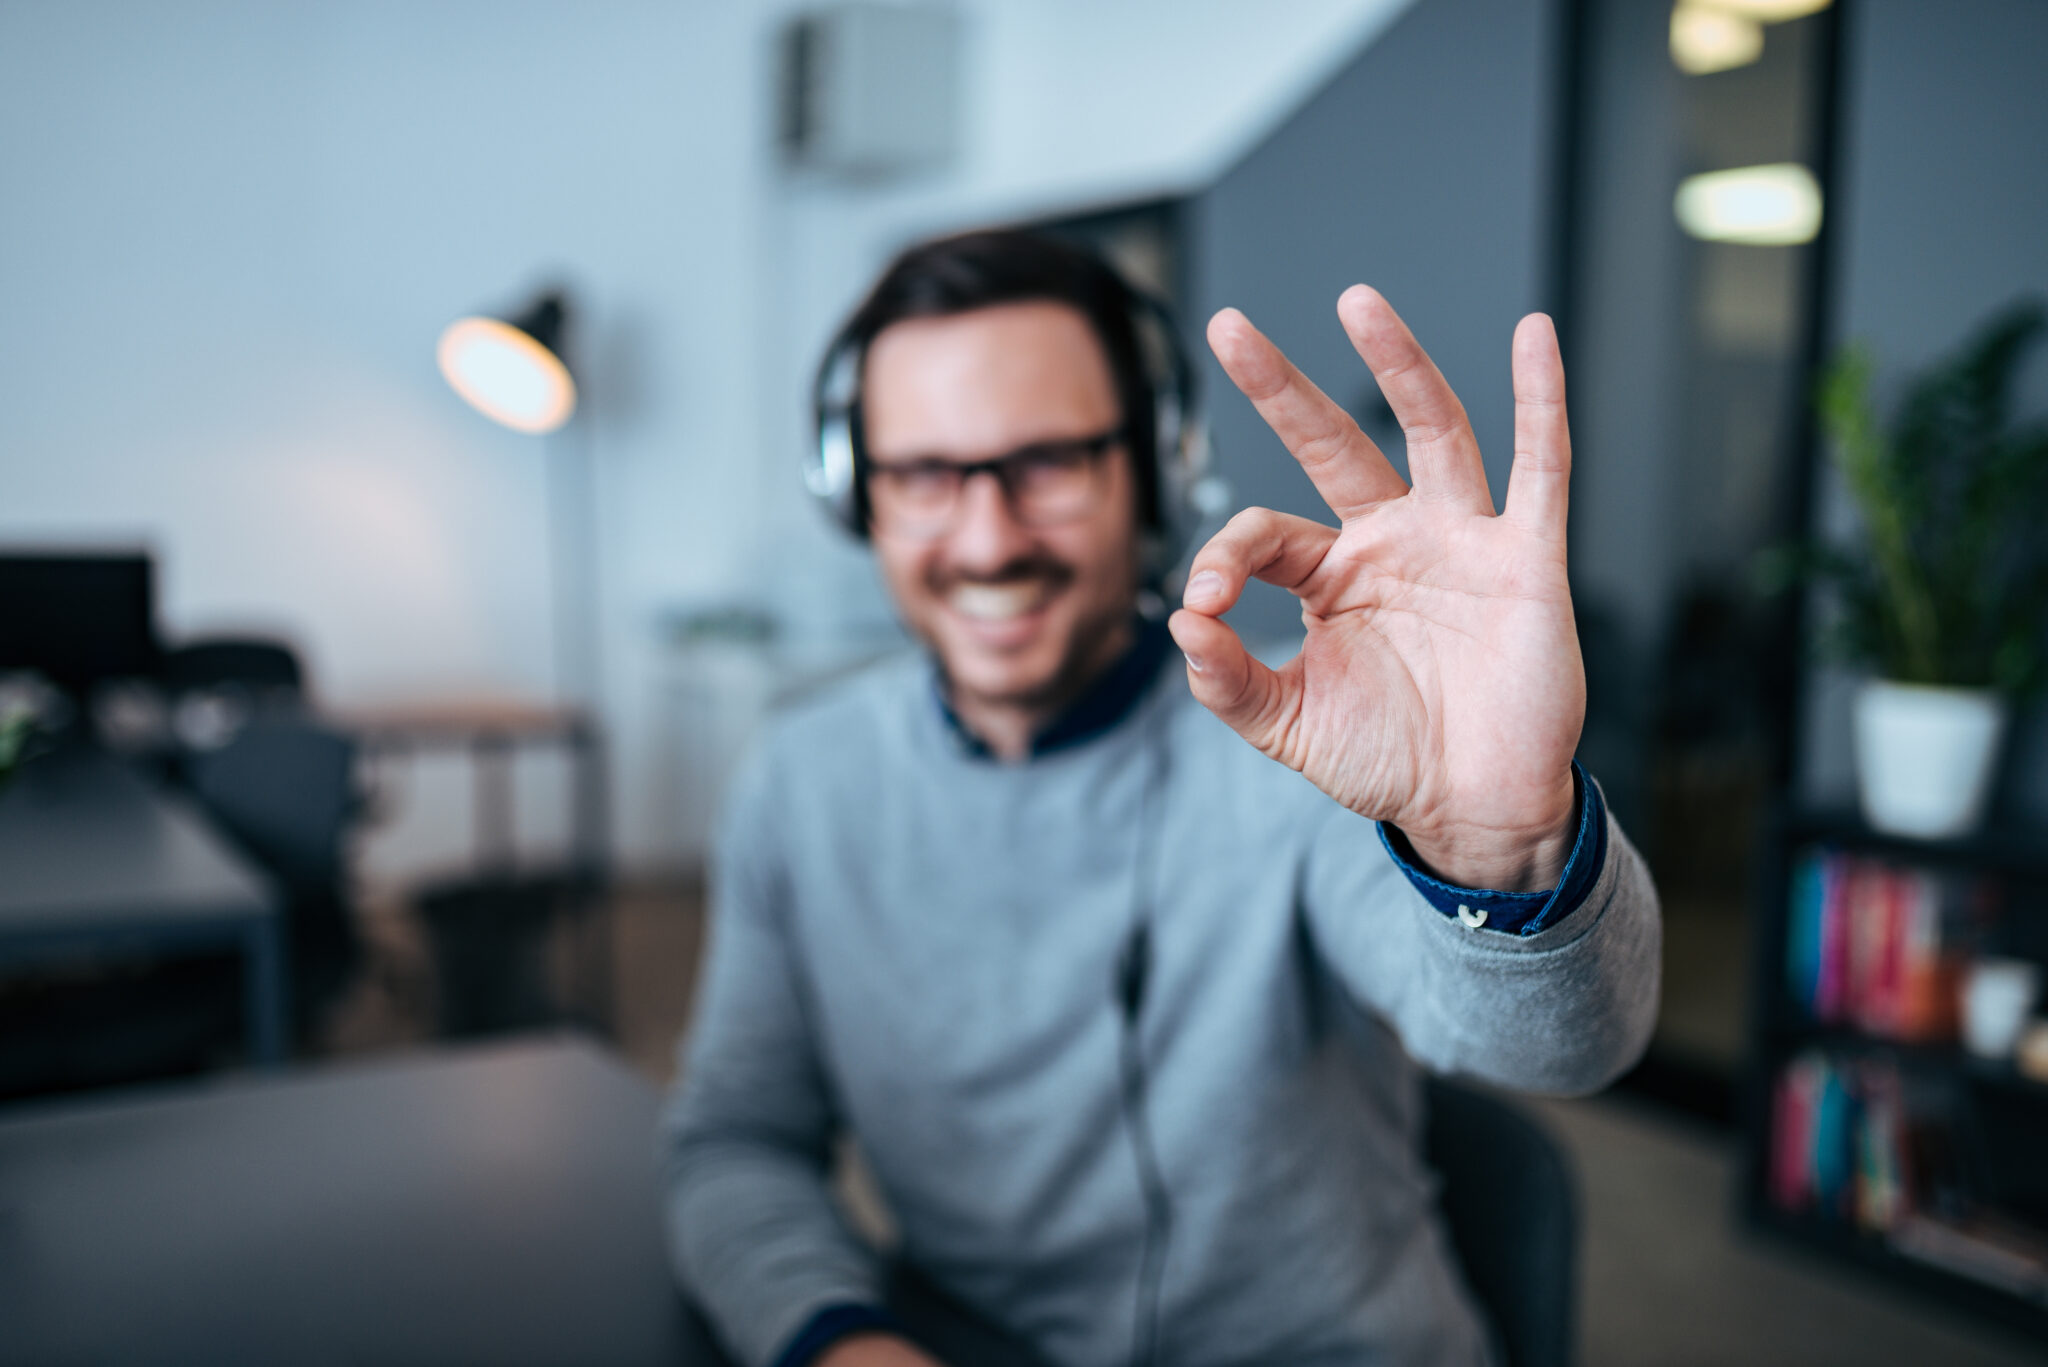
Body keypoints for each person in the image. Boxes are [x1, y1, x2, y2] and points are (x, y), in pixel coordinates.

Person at [659, 230, 1660, 1367]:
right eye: (924, 475)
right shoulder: (801, 782)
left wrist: (1505, 842)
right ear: (856, 493)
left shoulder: (1314, 740)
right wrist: (836, 1338)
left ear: (1155, 468)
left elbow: (1563, 1046)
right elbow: (734, 1142)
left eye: (1045, 462)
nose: (986, 540)